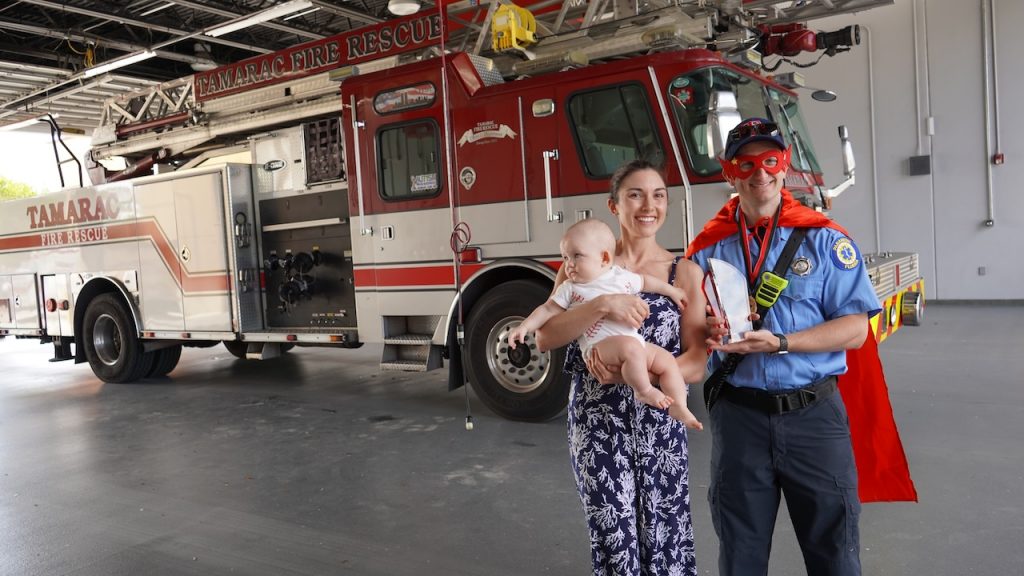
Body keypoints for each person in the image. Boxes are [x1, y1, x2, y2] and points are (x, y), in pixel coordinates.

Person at [686, 117, 883, 576]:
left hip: (814, 419)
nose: (760, 173)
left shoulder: (825, 239)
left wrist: (781, 343)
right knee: (741, 555)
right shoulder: (706, 251)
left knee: (835, 554)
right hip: (740, 420)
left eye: (770, 160)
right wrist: (707, 331)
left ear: (784, 165)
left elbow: (855, 329)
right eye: (746, 163)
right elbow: (691, 334)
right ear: (729, 172)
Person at [533, 159, 707, 576]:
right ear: (614, 206)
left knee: (665, 536)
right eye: (635, 194)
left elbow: (697, 363)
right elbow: (546, 337)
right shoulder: (579, 265)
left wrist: (638, 373)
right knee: (613, 536)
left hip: (661, 424)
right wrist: (601, 304)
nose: (649, 205)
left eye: (659, 195)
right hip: (597, 423)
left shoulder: (683, 272)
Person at [509, 218, 702, 429]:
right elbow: (547, 309)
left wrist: (672, 291)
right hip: (600, 348)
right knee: (630, 349)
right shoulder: (570, 288)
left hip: (634, 343)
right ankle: (644, 390)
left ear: (604, 257)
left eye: (577, 256)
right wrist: (525, 326)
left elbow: (647, 282)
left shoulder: (619, 276)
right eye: (565, 257)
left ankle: (679, 405)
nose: (569, 264)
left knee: (666, 361)